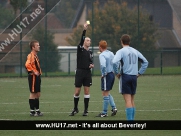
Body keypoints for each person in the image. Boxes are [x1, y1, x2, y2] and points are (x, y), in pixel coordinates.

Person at [112, 34, 148, 120]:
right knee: (132, 100)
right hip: (134, 77)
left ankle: (130, 122)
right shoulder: (135, 51)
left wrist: (117, 72)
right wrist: (139, 73)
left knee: (127, 100)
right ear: (129, 42)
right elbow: (145, 62)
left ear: (121, 42)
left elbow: (114, 62)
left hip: (125, 77)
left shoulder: (121, 51)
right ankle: (132, 120)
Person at [69, 23, 94, 116]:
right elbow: (82, 39)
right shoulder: (80, 49)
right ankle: (75, 109)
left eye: (90, 41)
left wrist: (91, 65)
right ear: (84, 42)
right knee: (77, 92)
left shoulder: (90, 52)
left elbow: (90, 62)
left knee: (87, 91)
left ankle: (86, 110)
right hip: (79, 72)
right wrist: (84, 30)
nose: (89, 42)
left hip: (87, 73)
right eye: (87, 40)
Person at [96, 40, 117, 117]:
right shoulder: (111, 53)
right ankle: (114, 108)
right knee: (107, 92)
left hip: (107, 75)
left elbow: (103, 65)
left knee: (105, 93)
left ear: (100, 47)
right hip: (112, 74)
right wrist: (115, 71)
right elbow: (116, 62)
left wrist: (103, 73)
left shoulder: (102, 55)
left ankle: (104, 113)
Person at [25, 40, 43, 116]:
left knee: (38, 94)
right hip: (33, 77)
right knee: (33, 93)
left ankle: (37, 110)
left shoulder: (35, 55)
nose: (39, 46)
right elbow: (27, 64)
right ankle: (32, 111)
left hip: (37, 77)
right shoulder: (31, 55)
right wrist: (34, 71)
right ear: (33, 47)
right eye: (37, 45)